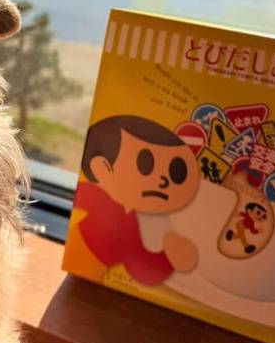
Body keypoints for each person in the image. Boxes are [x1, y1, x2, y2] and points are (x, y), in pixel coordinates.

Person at [66, 115, 200, 285]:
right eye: (145, 164)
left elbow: (144, 271)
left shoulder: (141, 225)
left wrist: (172, 257)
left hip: (101, 277)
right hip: (83, 266)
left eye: (177, 173)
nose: (163, 181)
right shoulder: (95, 196)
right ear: (103, 168)